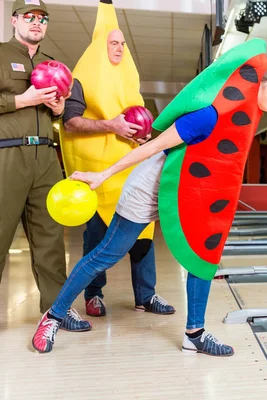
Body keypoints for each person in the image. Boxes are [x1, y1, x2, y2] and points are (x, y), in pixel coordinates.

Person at [32, 39, 267, 354]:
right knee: (108, 254)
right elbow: (153, 147)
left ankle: (195, 334)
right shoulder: (208, 116)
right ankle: (55, 314)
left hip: (188, 194)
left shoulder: (239, 123)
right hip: (148, 190)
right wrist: (102, 175)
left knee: (203, 257)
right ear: (255, 85)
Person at [59, 0, 174, 317]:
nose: (120, 48)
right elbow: (71, 122)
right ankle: (93, 295)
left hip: (130, 172)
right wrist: (112, 125)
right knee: (97, 239)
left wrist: (142, 134)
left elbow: (137, 125)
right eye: (113, 43)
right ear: (100, 45)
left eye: (123, 43)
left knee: (143, 237)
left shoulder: (129, 81)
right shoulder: (79, 79)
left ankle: (146, 296)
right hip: (98, 175)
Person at [0, 0, 90, 332]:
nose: (37, 22)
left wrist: (57, 106)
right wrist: (21, 100)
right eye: (30, 17)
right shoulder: (0, 55)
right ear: (14, 21)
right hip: (7, 156)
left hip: (46, 158)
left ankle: (57, 309)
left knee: (51, 237)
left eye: (43, 18)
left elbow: (58, 114)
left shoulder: (53, 64)